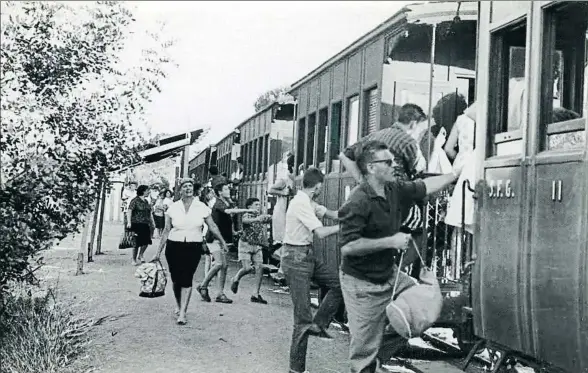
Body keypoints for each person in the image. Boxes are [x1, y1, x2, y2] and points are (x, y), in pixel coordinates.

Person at [338, 140, 462, 373]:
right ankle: (367, 363)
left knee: (417, 313)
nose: (394, 165)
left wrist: (455, 174)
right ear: (371, 168)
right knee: (363, 351)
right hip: (361, 284)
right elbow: (347, 247)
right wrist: (390, 241)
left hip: (389, 276)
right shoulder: (358, 200)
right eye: (388, 162)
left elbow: (423, 186)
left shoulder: (394, 189)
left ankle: (375, 360)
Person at [281, 167, 341, 373]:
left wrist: (355, 213)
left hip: (306, 256)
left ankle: (319, 324)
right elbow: (322, 232)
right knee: (302, 319)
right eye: (320, 187)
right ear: (317, 187)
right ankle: (295, 370)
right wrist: (346, 227)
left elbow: (332, 214)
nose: (320, 190)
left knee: (338, 283)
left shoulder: (307, 201)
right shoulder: (300, 204)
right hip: (295, 258)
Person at [152, 179, 226, 325]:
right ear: (180, 190)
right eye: (185, 186)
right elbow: (166, 231)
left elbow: (212, 226)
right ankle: (179, 305)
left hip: (193, 246)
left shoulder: (201, 207)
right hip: (174, 246)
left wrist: (222, 241)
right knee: (175, 279)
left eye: (190, 186)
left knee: (186, 278)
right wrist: (158, 252)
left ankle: (183, 312)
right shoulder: (173, 207)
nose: (188, 188)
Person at [197, 182, 254, 304]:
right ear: (220, 192)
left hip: (222, 238)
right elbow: (227, 212)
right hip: (214, 238)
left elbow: (227, 221)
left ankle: (220, 293)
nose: (229, 190)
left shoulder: (227, 203)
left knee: (224, 266)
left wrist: (233, 232)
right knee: (219, 264)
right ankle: (203, 285)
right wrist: (247, 210)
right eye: (226, 189)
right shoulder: (219, 203)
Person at [230, 197, 272, 304]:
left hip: (257, 246)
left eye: (259, 204)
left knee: (260, 268)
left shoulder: (260, 216)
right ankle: (236, 278)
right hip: (245, 245)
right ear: (249, 207)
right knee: (247, 268)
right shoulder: (247, 215)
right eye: (256, 204)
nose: (258, 206)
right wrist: (257, 219)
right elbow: (245, 220)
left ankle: (255, 294)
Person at [268, 152, 295, 286]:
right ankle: (282, 271)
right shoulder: (284, 179)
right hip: (282, 213)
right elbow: (271, 190)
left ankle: (283, 270)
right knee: (284, 240)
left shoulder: (296, 178)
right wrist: (284, 193)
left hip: (289, 213)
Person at [126, 185, 156, 266]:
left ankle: (141, 255)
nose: (148, 192)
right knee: (136, 242)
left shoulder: (146, 201)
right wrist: (129, 222)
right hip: (136, 223)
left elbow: (149, 213)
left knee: (146, 241)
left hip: (145, 223)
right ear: (143, 191)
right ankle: (133, 259)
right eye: (147, 190)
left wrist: (152, 222)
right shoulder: (135, 200)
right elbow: (129, 211)